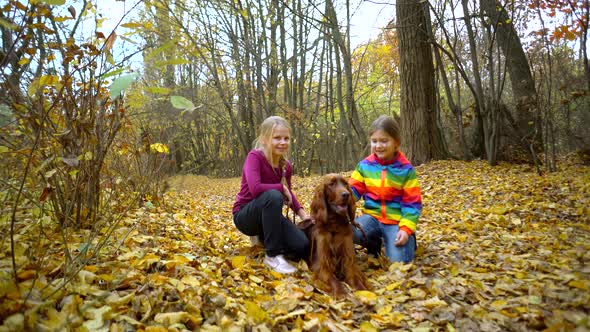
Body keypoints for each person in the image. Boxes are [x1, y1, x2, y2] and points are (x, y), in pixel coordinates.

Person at [232, 116, 311, 274]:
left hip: (270, 217)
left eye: (286, 138)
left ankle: (265, 238)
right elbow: (256, 189)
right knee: (274, 195)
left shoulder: (286, 166)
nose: (282, 142)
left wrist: (303, 214)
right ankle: (273, 256)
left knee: (302, 245)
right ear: (264, 139)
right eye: (277, 138)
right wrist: (281, 189)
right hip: (246, 216)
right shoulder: (254, 157)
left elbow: (288, 193)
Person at [349, 115, 422, 263]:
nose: (378, 146)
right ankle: (373, 242)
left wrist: (406, 229)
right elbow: (352, 192)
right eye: (374, 141)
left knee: (398, 262)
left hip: (396, 222)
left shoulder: (405, 169)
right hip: (371, 219)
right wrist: (338, 201)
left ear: (396, 143)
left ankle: (409, 238)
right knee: (346, 232)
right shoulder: (364, 166)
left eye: (384, 141)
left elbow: (412, 204)